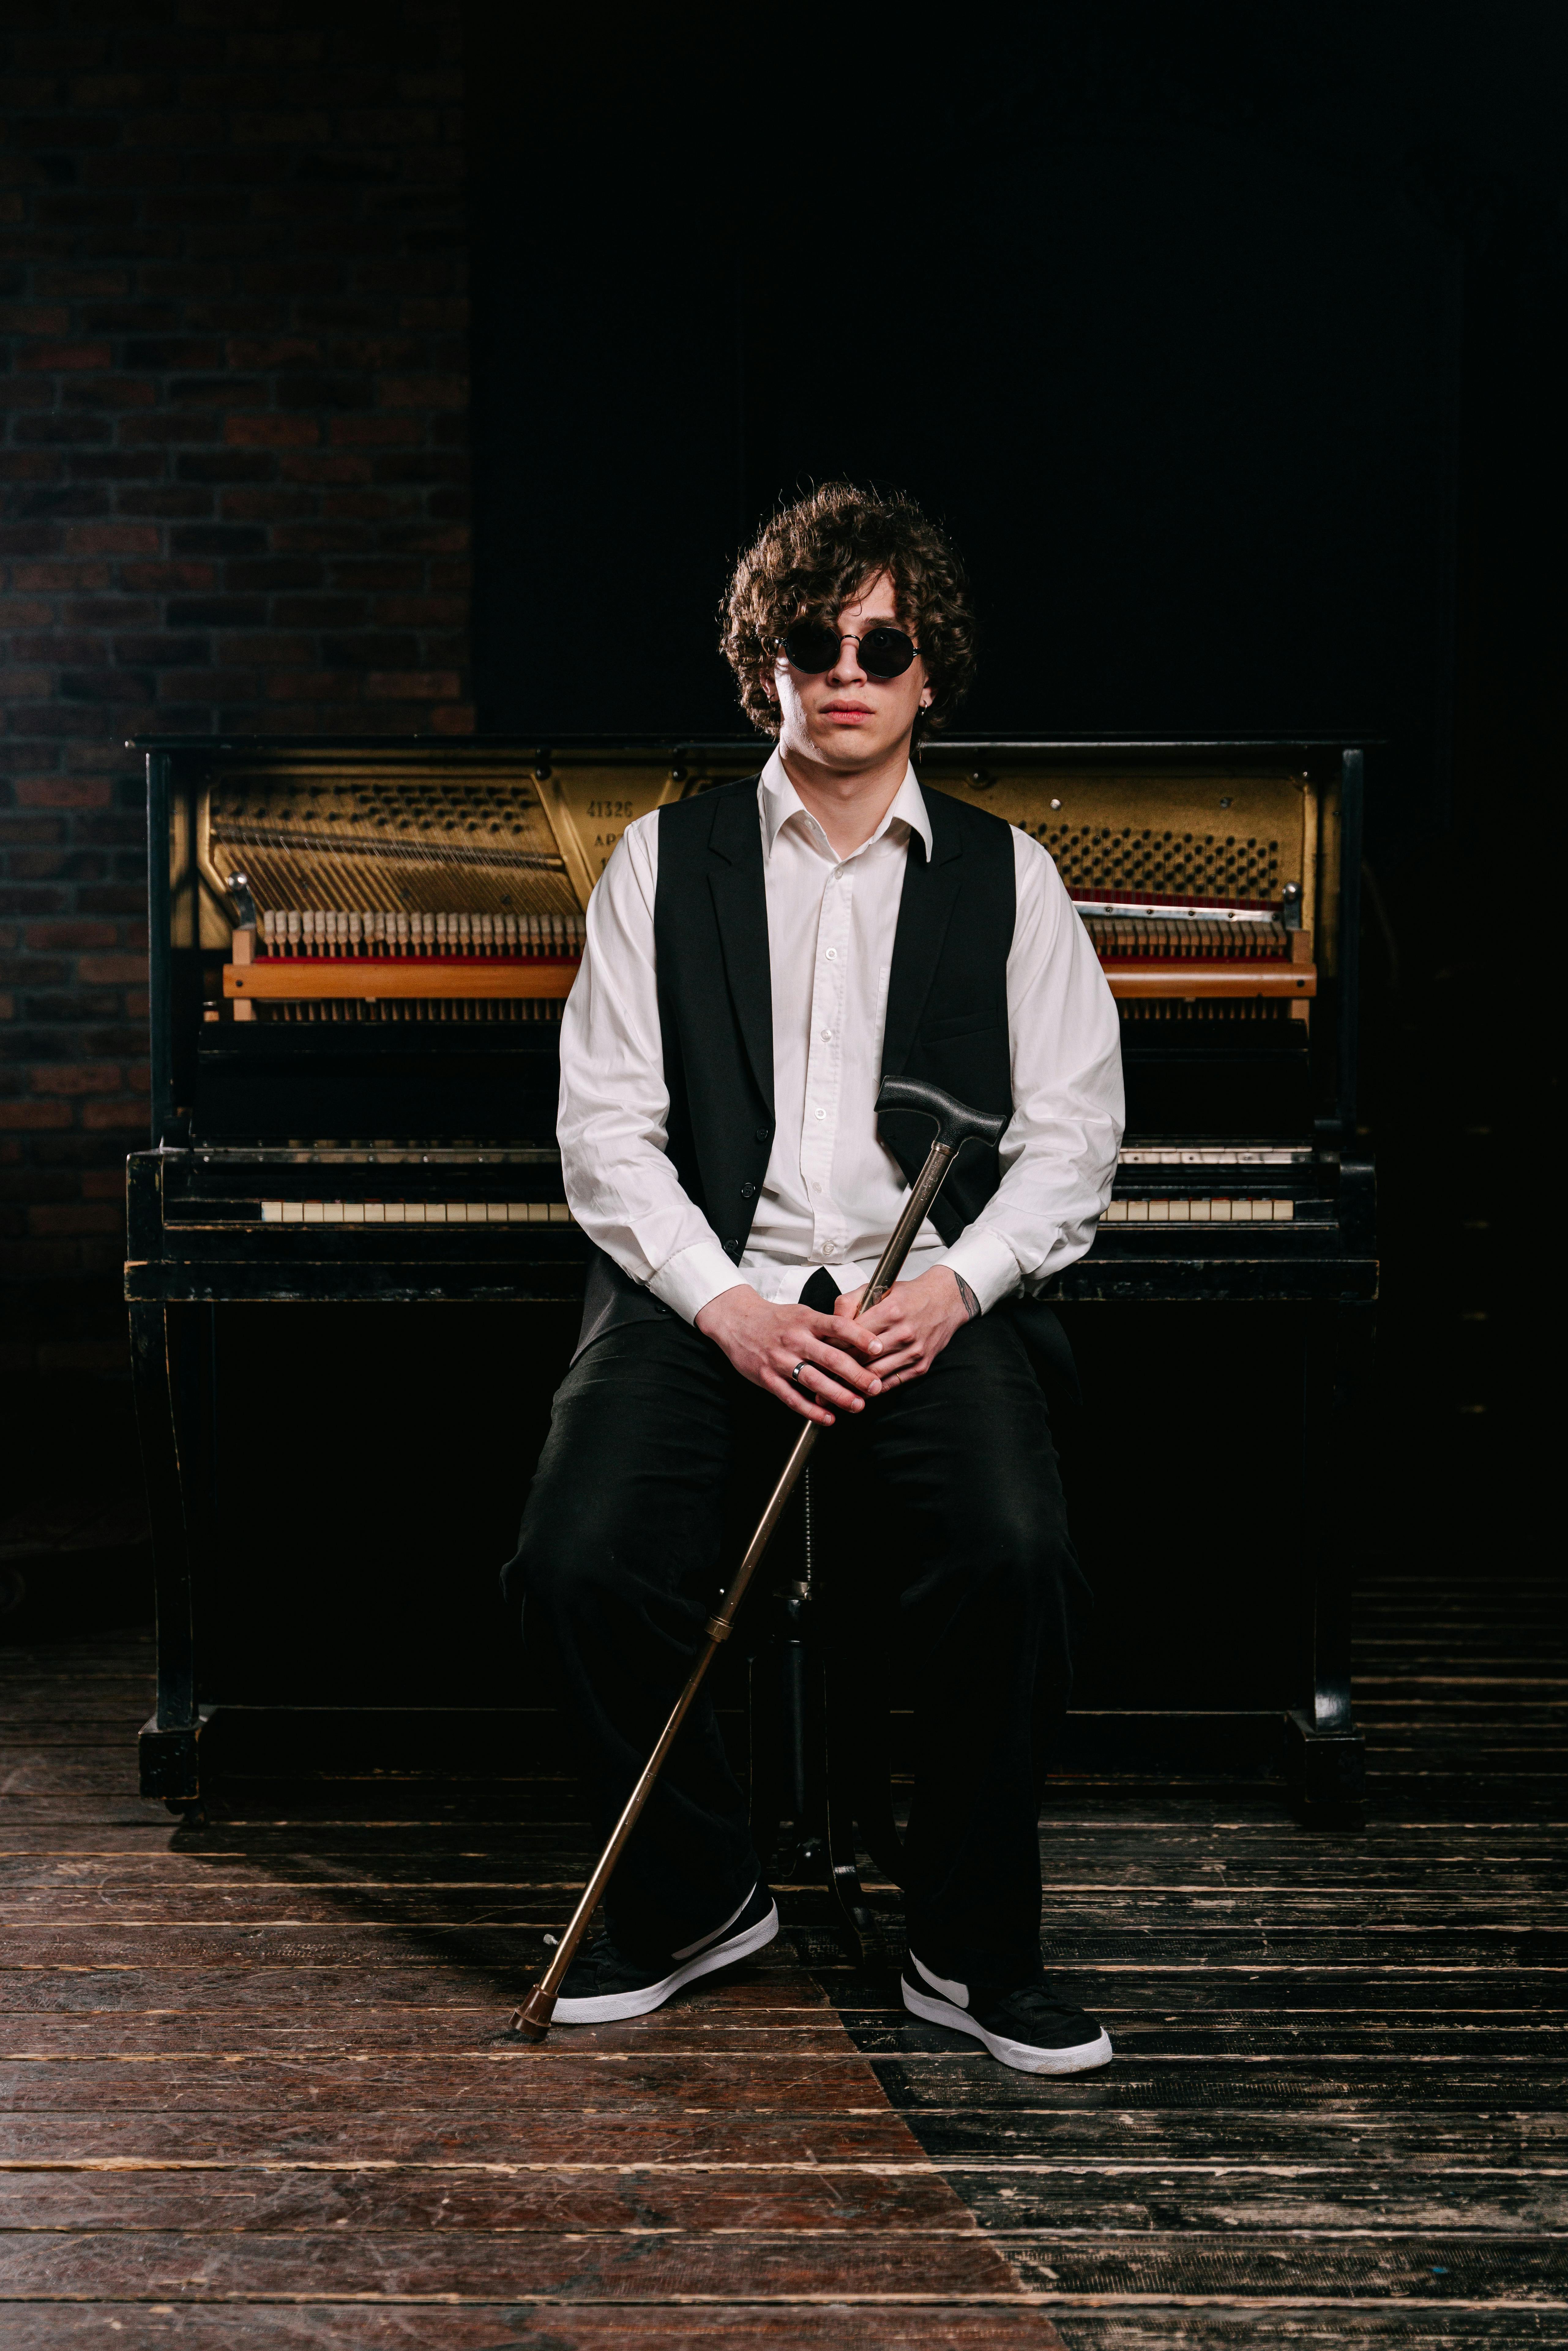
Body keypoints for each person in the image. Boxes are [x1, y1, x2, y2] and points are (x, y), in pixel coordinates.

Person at [507, 483, 1123, 2073]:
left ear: (928, 674)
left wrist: (959, 1285)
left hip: (924, 1297)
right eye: (810, 639)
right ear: (760, 662)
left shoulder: (1010, 878)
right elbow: (607, 1132)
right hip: (714, 1289)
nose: (844, 668)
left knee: (1013, 1551)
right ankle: (703, 1889)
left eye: (882, 642)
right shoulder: (663, 864)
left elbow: (1069, 1139)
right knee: (577, 1559)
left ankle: (968, 1944)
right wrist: (728, 1304)